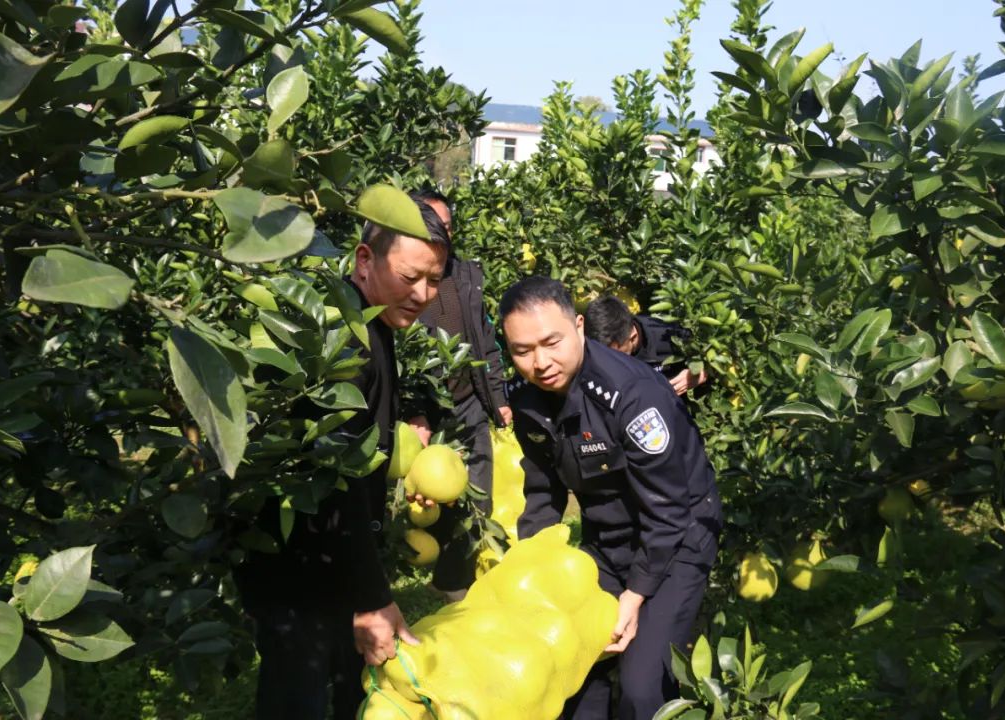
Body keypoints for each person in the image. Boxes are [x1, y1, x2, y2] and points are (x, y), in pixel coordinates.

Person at [234, 200, 451, 720]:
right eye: (410, 277)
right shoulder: (345, 344)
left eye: (435, 280)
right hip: (301, 573)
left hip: (325, 567)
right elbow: (336, 483)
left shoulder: (368, 324)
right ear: (363, 260)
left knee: (342, 693)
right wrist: (370, 598)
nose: (423, 295)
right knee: (298, 700)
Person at [500, 276, 722, 720]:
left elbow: (667, 511)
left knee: (642, 689)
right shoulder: (529, 402)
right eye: (522, 351)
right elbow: (543, 493)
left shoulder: (632, 395)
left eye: (552, 342)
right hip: (608, 540)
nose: (540, 362)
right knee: (572, 669)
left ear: (579, 326)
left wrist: (633, 597)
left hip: (677, 538)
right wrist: (531, 571)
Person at [406, 189, 512, 600]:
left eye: (448, 227)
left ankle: (453, 583)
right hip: (426, 408)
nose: (443, 235)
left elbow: (485, 339)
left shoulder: (467, 274)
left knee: (476, 496)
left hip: (468, 400)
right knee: (424, 499)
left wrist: (498, 395)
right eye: (434, 227)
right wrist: (415, 411)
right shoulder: (404, 282)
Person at [583, 295, 706, 396]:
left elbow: (712, 355)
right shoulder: (590, 349)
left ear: (633, 337)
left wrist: (698, 373)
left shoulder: (670, 335)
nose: (607, 361)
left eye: (613, 354)